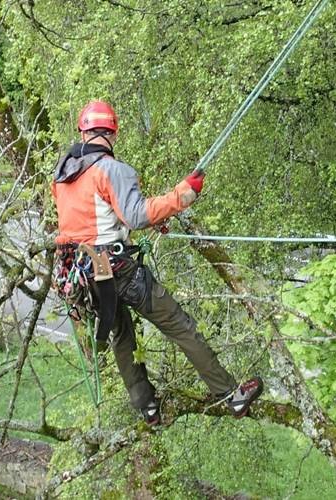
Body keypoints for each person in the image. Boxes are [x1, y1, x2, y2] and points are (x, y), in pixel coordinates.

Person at [51, 100, 263, 425]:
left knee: (121, 335)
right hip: (112, 267)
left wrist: (145, 220)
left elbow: (90, 222)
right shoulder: (110, 169)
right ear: (111, 133)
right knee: (179, 325)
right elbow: (135, 216)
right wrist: (182, 195)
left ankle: (146, 408)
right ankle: (230, 396)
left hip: (79, 271)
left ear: (84, 132)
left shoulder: (64, 175)